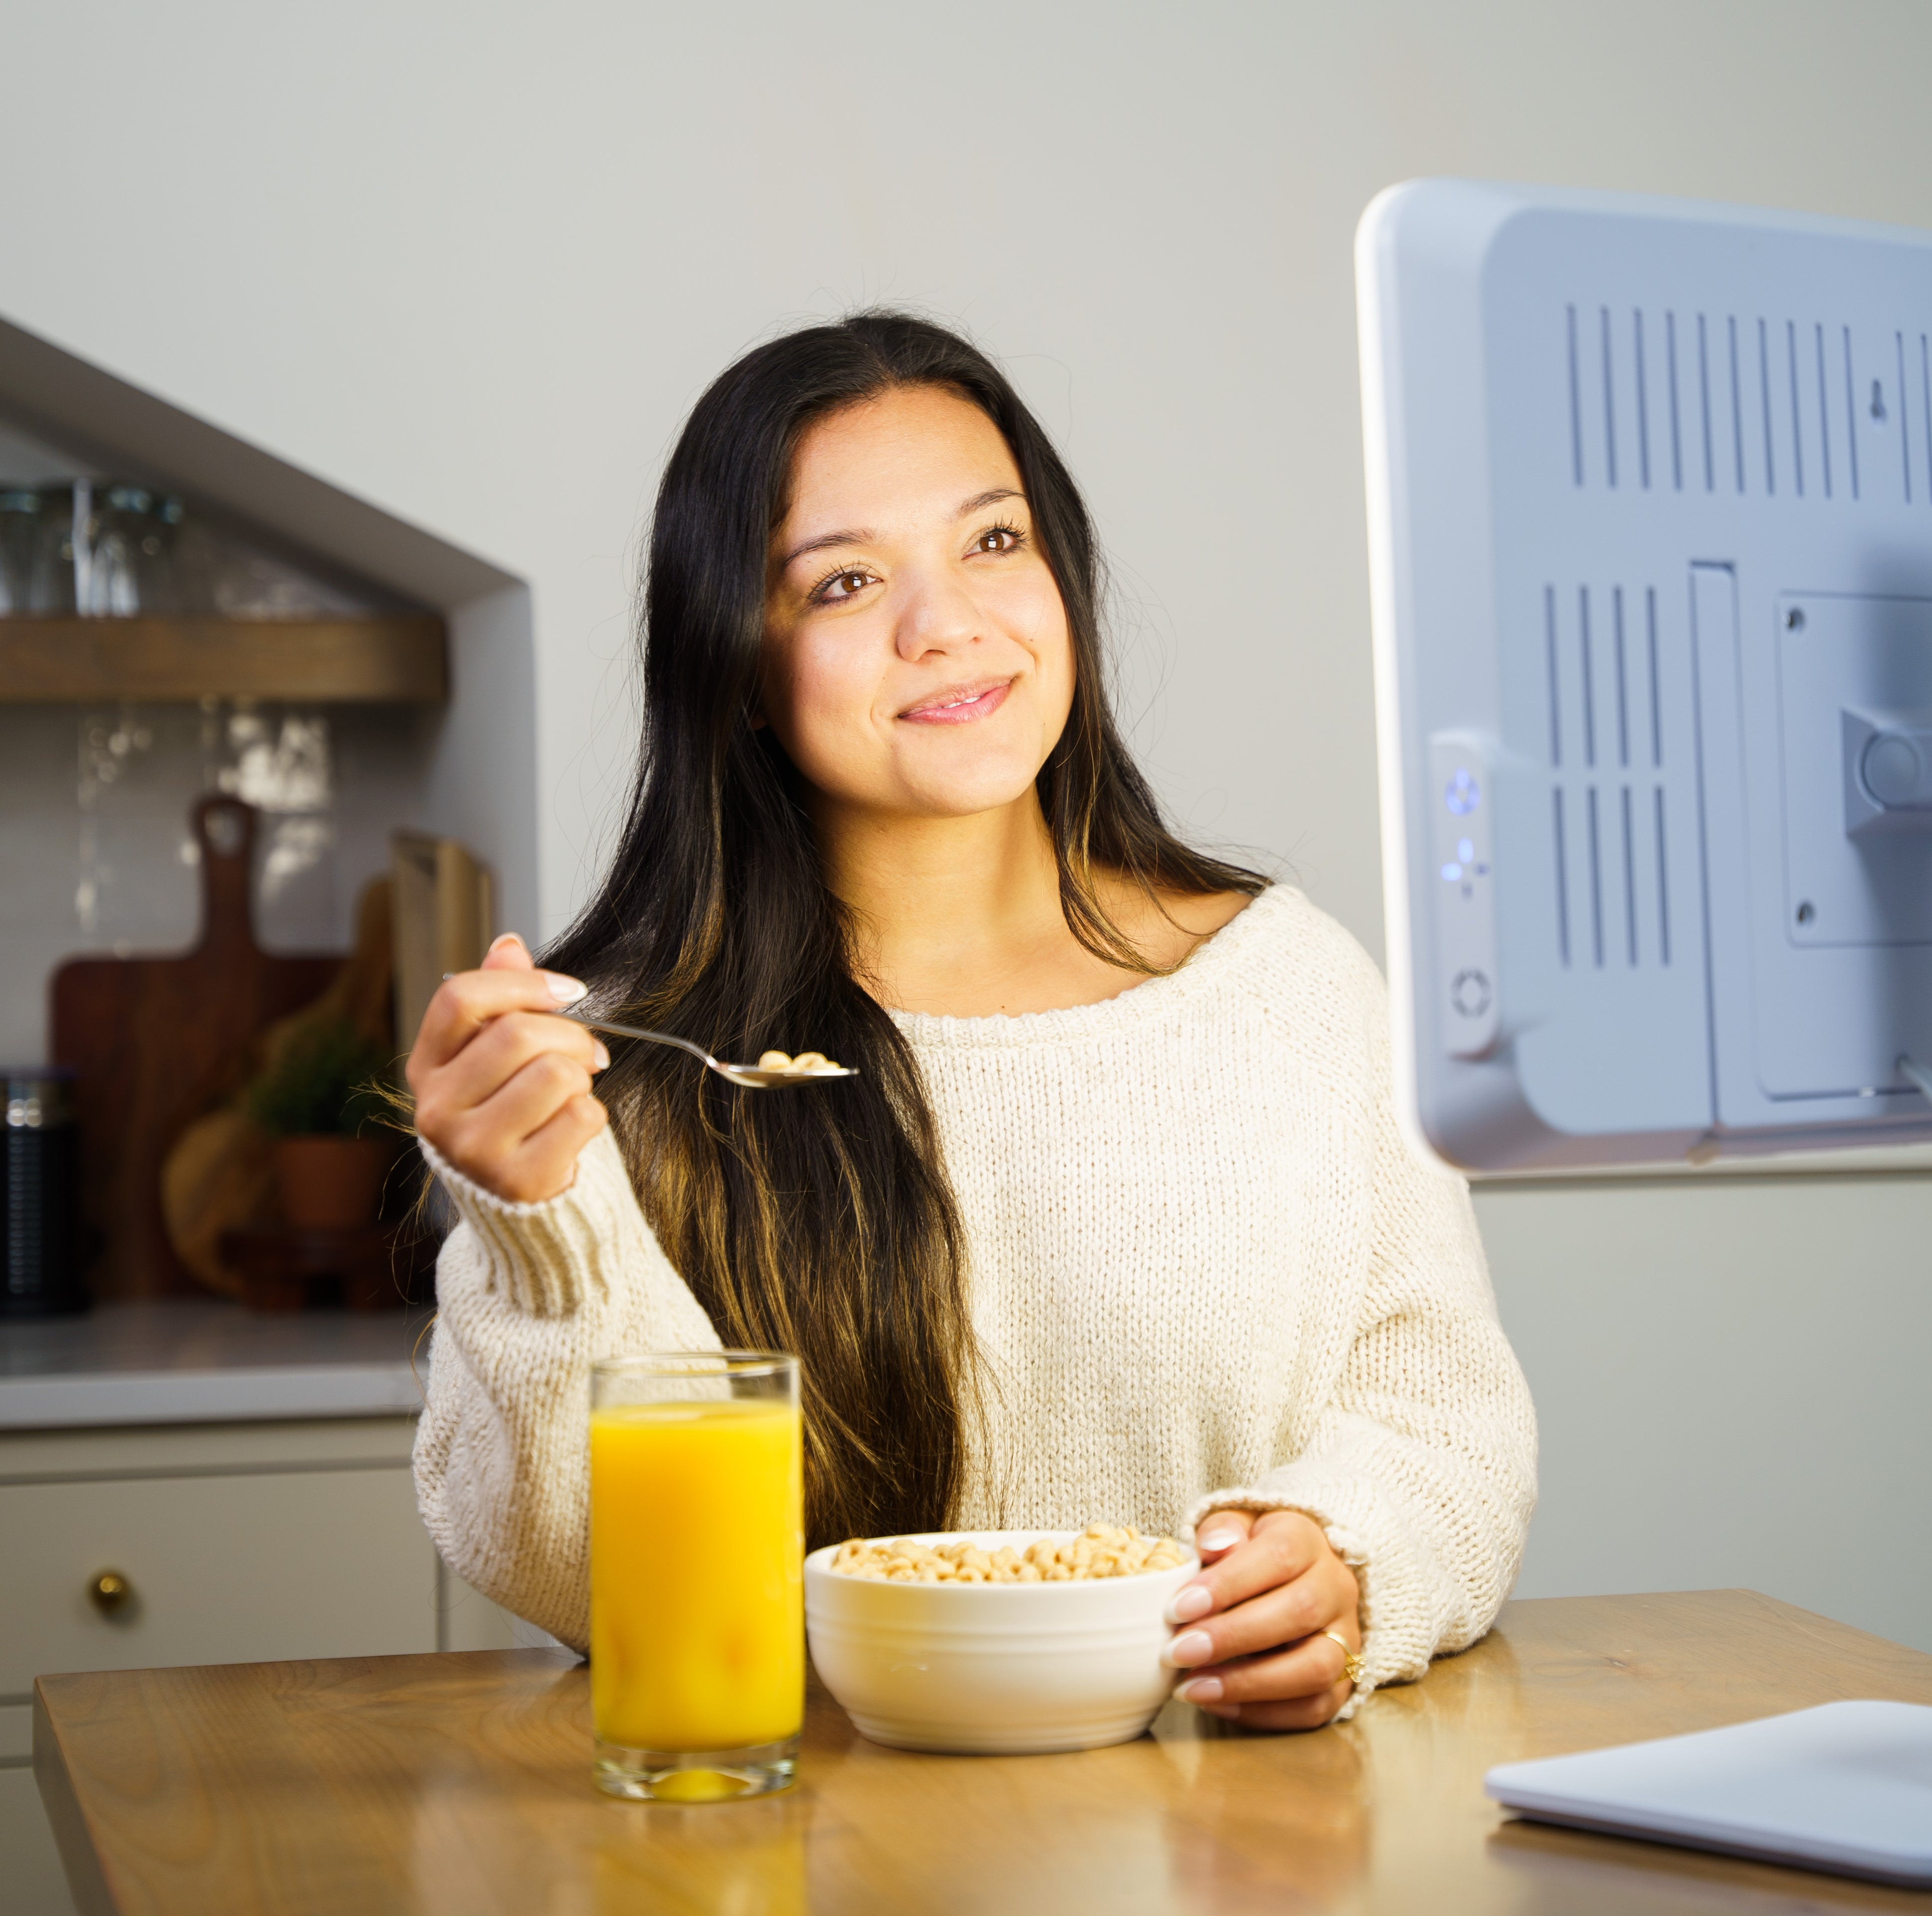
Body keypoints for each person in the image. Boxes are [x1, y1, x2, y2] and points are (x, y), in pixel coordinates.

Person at [406, 312, 1533, 1730]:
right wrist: (540, 1221)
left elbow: (1453, 1428)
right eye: (844, 582)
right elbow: (588, 1585)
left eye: (993, 543)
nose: (946, 626)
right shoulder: (619, 1067)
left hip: (1236, 1849)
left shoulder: (1294, 989)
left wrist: (1349, 1564)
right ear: (738, 667)